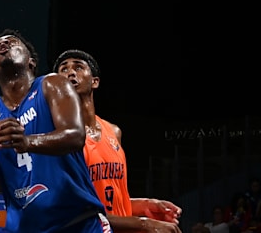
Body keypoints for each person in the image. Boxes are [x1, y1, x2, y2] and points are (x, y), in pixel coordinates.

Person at [0, 30, 111, 233]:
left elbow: (75, 136)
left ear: (31, 63)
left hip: (78, 223)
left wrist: (27, 142)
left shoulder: (52, 84)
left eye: (13, 42)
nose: (4, 44)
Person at [54, 48, 182, 232]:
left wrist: (146, 205)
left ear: (95, 82)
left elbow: (112, 199)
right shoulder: (61, 137)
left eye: (78, 67)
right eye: (63, 69)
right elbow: (79, 211)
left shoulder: (113, 131)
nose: (70, 72)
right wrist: (144, 224)